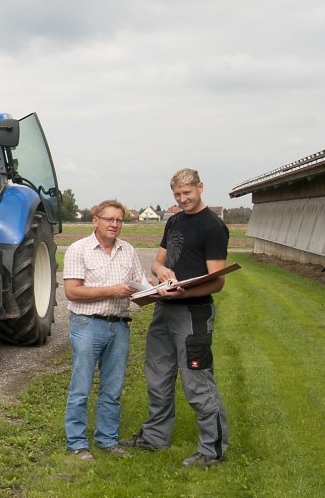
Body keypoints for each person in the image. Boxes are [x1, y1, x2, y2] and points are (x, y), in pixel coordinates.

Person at [120, 168, 230, 467]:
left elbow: (217, 280)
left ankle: (212, 449)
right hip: (164, 306)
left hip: (193, 312)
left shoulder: (212, 227)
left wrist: (183, 293)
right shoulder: (175, 221)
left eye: (187, 193)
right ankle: (155, 437)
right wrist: (162, 272)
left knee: (197, 381)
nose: (182, 200)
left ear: (200, 187)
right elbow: (158, 261)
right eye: (177, 195)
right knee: (158, 375)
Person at [64, 199, 145, 461]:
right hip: (88, 324)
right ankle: (77, 443)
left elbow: (138, 284)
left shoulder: (128, 250)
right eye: (109, 219)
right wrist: (112, 290)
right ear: (95, 220)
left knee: (113, 387)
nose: (114, 224)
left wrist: (154, 287)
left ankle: (107, 439)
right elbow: (72, 292)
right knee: (81, 386)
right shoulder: (79, 249)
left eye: (119, 220)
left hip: (119, 325)